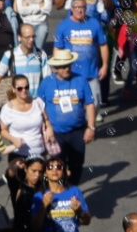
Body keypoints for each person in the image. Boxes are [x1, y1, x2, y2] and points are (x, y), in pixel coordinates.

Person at [38, 48, 97, 183]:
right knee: (57, 167)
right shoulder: (47, 83)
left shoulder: (80, 80)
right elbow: (40, 107)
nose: (67, 69)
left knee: (77, 165)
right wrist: (46, 127)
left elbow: (90, 104)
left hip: (77, 131)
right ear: (55, 68)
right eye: (63, 66)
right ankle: (60, 192)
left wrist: (91, 127)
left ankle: (72, 188)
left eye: (69, 65)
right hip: (56, 133)